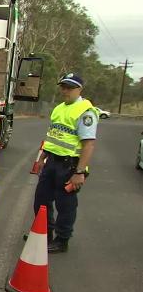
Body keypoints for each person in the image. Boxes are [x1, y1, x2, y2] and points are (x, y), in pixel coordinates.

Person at [32, 73, 98, 253]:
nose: (65, 90)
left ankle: (62, 240)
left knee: (65, 205)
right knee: (41, 201)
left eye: (69, 87)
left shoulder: (85, 112)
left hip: (69, 166)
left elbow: (88, 144)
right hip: (52, 162)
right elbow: (52, 137)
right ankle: (44, 234)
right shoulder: (59, 108)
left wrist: (80, 172)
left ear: (79, 89)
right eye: (63, 87)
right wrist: (41, 158)